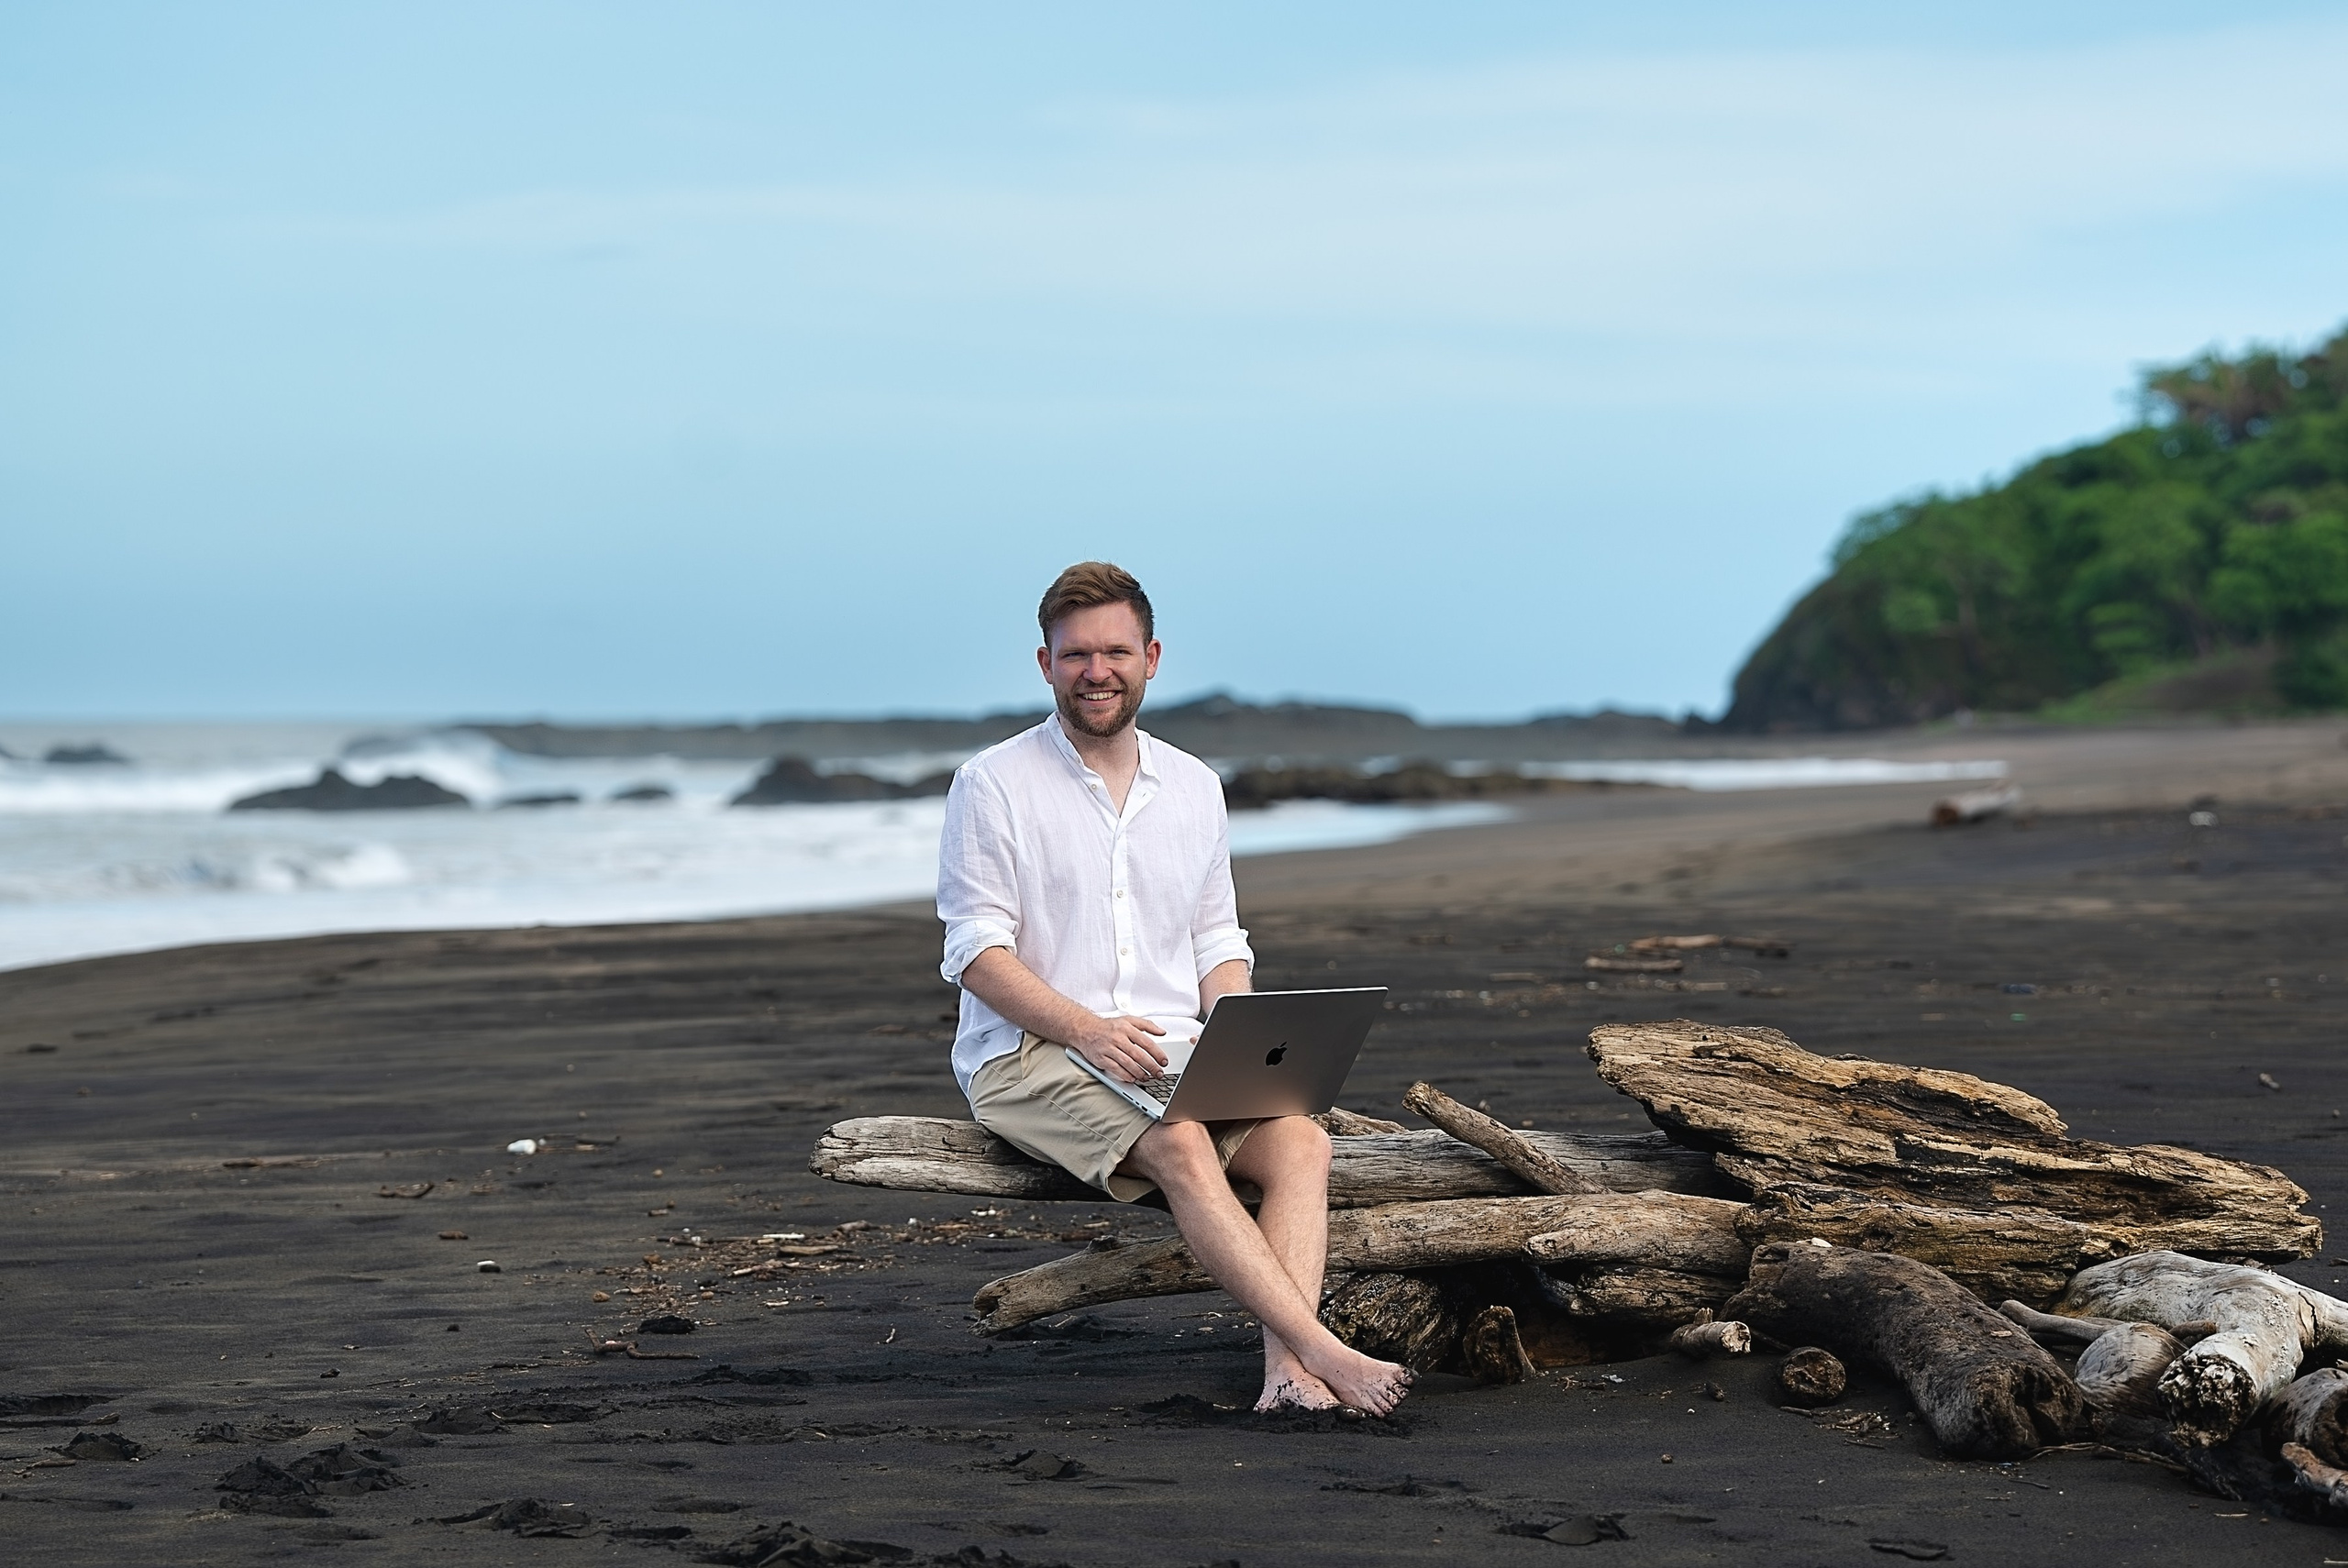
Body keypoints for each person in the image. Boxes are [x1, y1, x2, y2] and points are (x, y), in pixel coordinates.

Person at [936, 561, 1412, 1417]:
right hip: (1028, 1054)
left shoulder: (1194, 786)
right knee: (1186, 1145)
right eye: (1076, 654)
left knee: (1301, 1142)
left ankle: (1286, 1378)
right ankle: (1323, 1352)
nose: (1097, 671)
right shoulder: (993, 784)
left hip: (1170, 1048)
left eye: (1115, 651)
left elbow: (1216, 939)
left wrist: (1239, 1033)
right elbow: (976, 951)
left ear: (1151, 658)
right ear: (1045, 664)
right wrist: (1083, 1027)